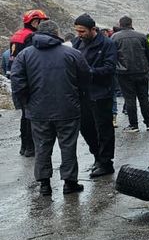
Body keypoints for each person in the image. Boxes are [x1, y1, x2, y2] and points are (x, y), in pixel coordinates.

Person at [10, 20, 90, 196]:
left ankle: (44, 184)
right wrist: (78, 98)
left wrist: (26, 102)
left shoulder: (25, 55)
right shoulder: (72, 54)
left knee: (42, 147)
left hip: (38, 112)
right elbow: (85, 79)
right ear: (57, 33)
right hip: (68, 109)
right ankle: (70, 183)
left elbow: (17, 81)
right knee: (68, 146)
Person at [73, 14, 118, 177]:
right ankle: (97, 157)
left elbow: (110, 68)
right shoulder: (77, 43)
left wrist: (88, 72)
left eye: (82, 31)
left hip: (101, 93)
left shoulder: (107, 44)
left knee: (104, 129)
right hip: (82, 93)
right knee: (86, 128)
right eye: (77, 31)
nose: (79, 34)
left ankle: (106, 162)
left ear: (93, 29)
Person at [9, 9, 49, 157]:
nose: (43, 24)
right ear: (34, 21)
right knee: (31, 116)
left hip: (17, 78)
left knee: (25, 115)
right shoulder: (32, 36)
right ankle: (30, 147)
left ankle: (25, 146)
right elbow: (32, 59)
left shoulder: (18, 34)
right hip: (29, 80)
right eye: (41, 21)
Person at [112, 16, 149, 132]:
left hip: (124, 73)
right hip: (142, 71)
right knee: (144, 98)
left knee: (130, 99)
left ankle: (133, 125)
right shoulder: (141, 36)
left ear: (120, 24)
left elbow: (112, 56)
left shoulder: (115, 37)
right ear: (131, 23)